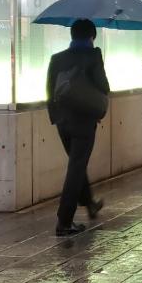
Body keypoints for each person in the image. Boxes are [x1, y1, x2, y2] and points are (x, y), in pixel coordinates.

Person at [46, 19, 109, 237]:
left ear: (72, 35)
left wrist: (56, 118)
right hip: (83, 121)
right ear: (91, 36)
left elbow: (49, 89)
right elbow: (104, 86)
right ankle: (64, 221)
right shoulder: (93, 56)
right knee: (76, 168)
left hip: (62, 121)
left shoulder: (57, 58)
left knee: (76, 163)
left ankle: (90, 203)